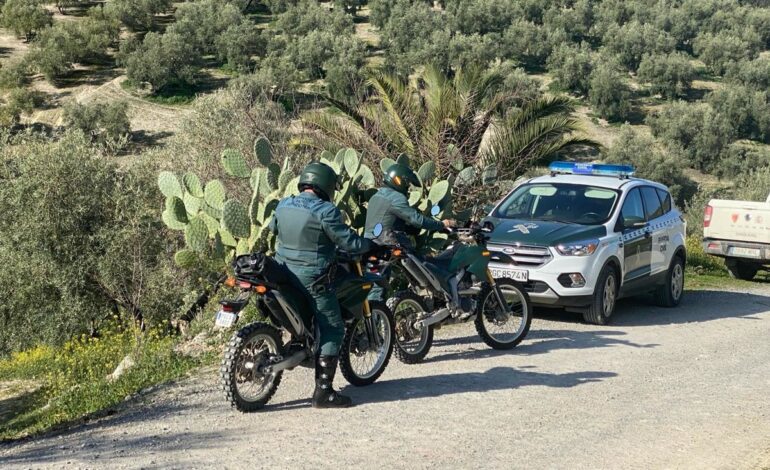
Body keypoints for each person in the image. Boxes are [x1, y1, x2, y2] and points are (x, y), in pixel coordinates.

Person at [269, 162, 375, 409]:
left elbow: (274, 228)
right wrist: (370, 245)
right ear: (327, 185)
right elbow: (348, 242)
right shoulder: (326, 211)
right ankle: (324, 393)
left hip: (282, 273)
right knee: (334, 327)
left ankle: (299, 341)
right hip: (313, 278)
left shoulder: (284, 204)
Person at [364, 163, 455, 301]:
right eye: (407, 184)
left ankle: (373, 318)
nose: (407, 188)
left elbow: (386, 221)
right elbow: (417, 220)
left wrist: (408, 229)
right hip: (387, 244)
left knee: (376, 284)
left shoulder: (375, 197)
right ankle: (445, 291)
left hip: (370, 244)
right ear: (400, 181)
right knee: (423, 266)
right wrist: (441, 224)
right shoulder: (395, 198)